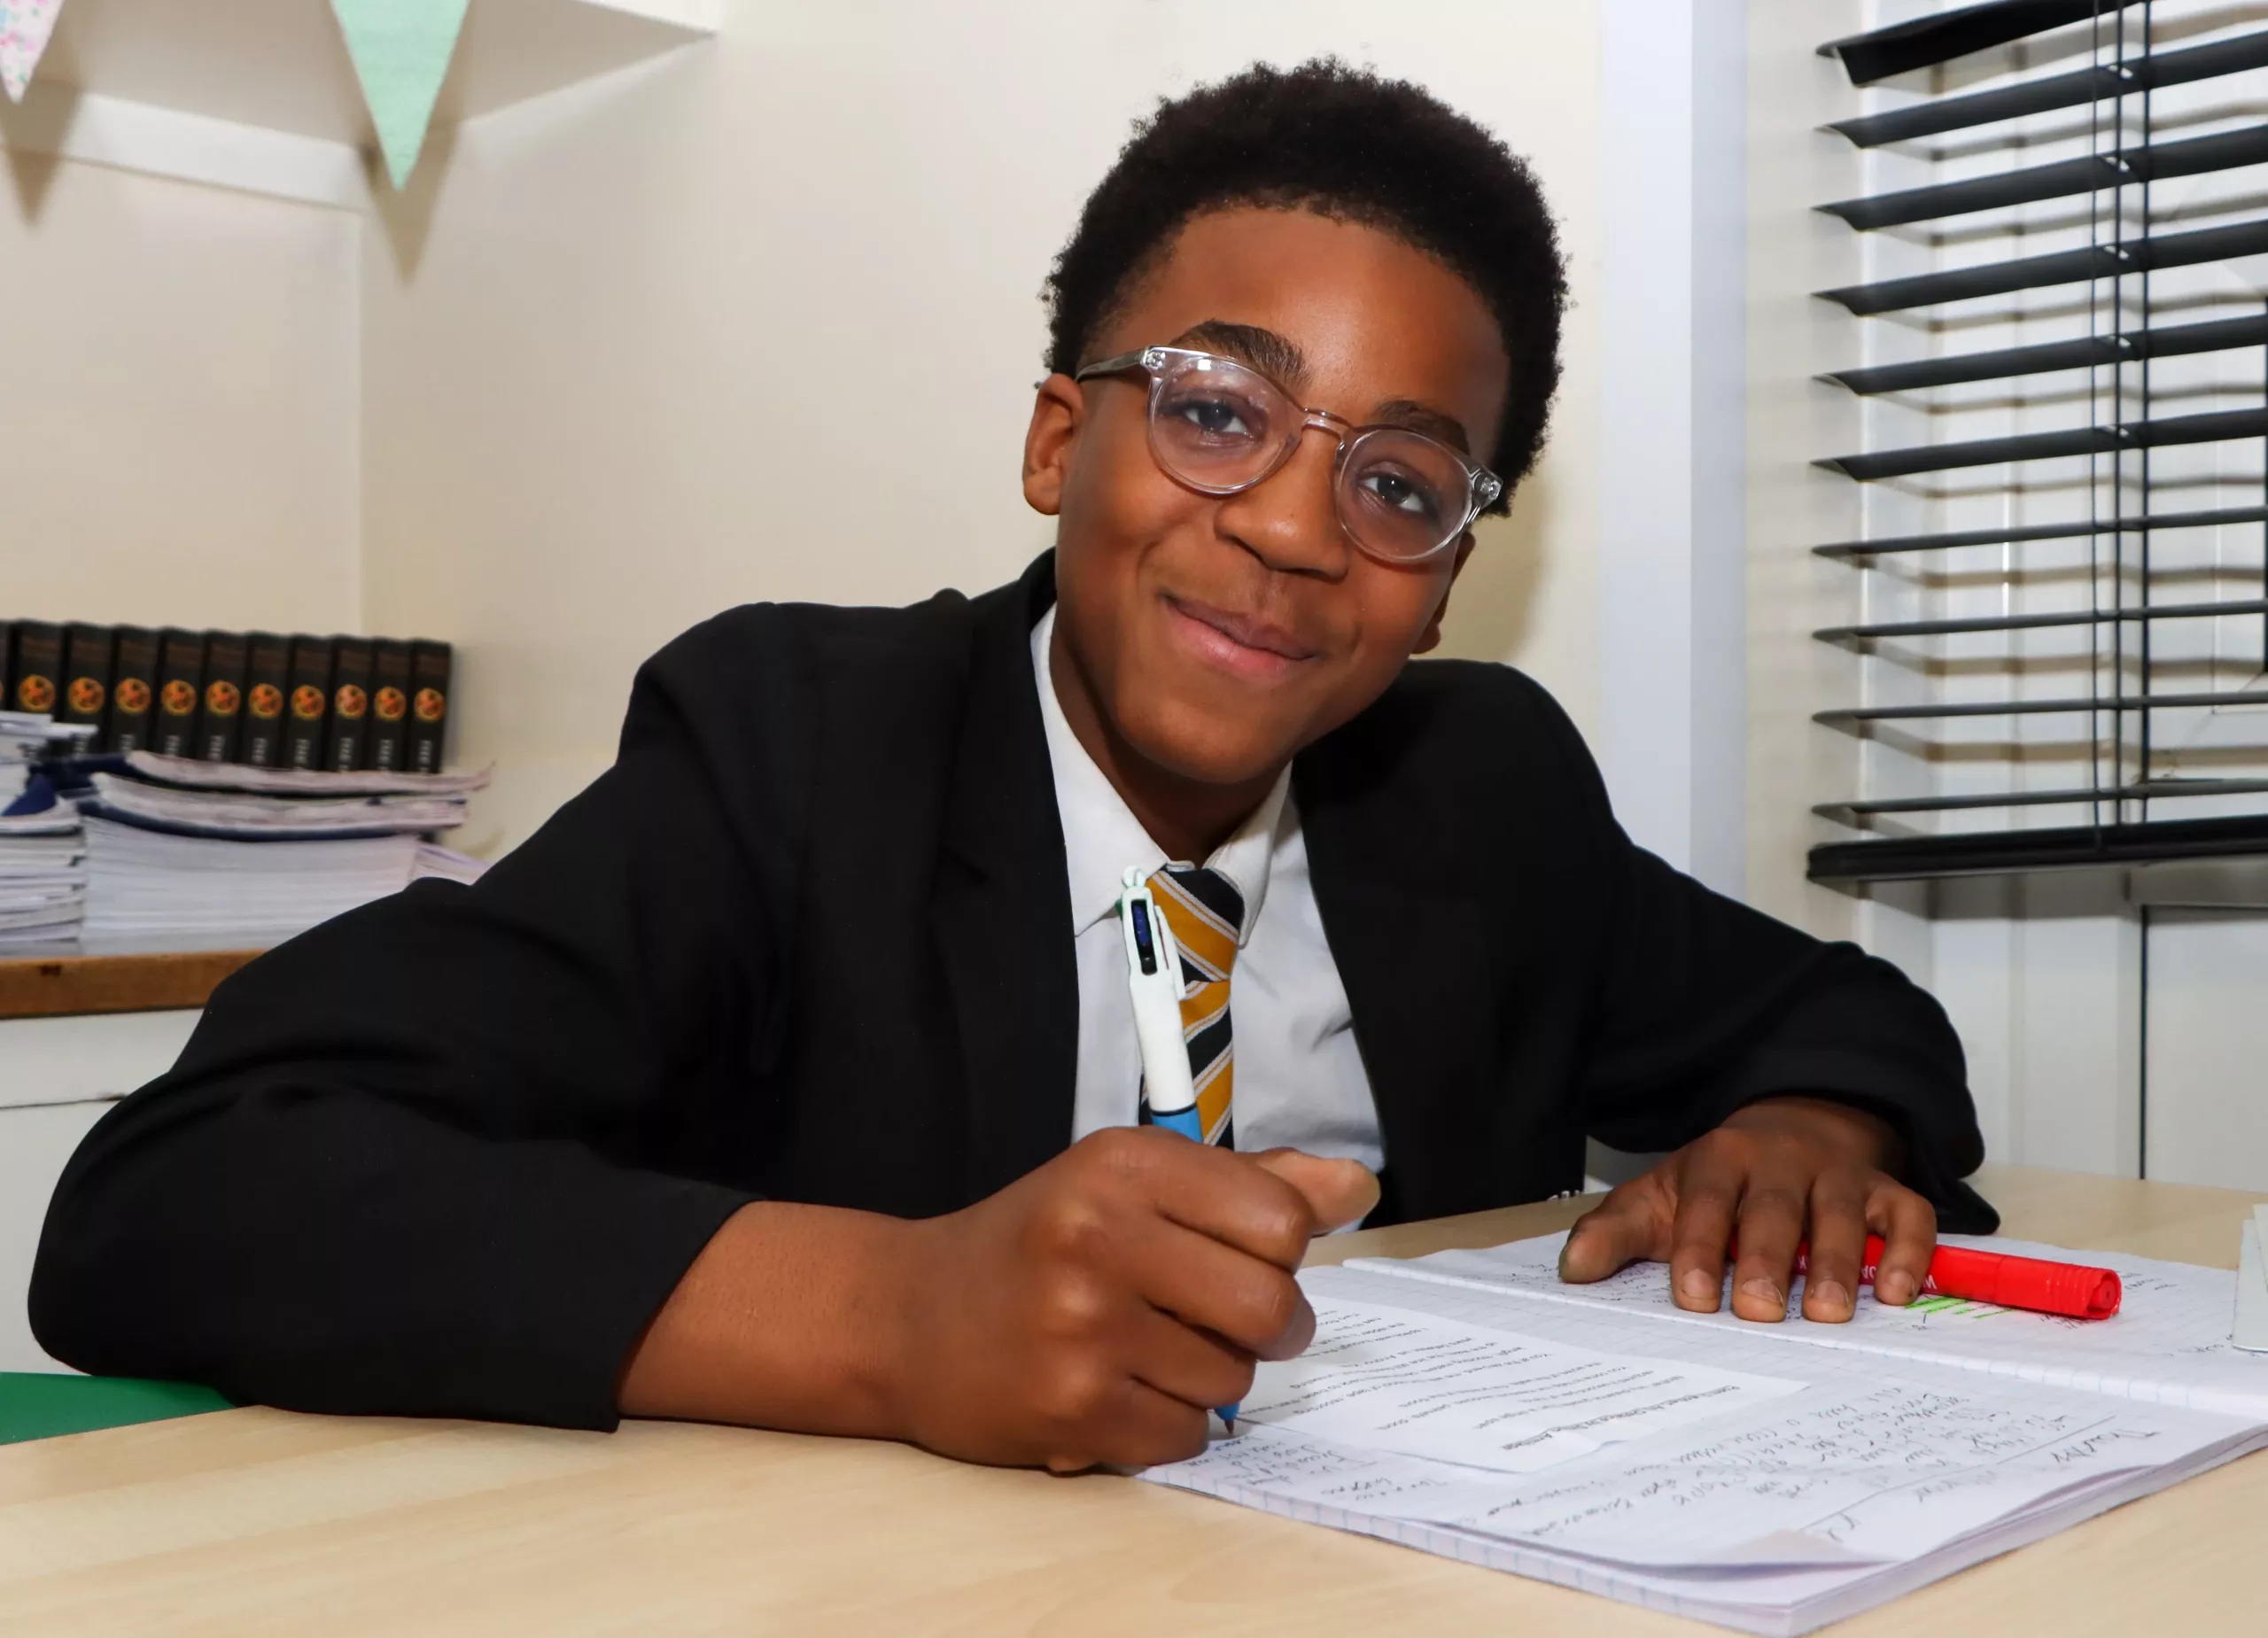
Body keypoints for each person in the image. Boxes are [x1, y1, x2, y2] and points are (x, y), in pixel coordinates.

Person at [31, 60, 1992, 1475]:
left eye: (1395, 479)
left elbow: (1840, 1014)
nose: (1296, 532)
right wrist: (889, 1322)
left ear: (1448, 573)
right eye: (1216, 410)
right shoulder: (796, 751)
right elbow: (182, 1193)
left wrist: (1810, 1134)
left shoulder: (1472, 790)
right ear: (1059, 443)